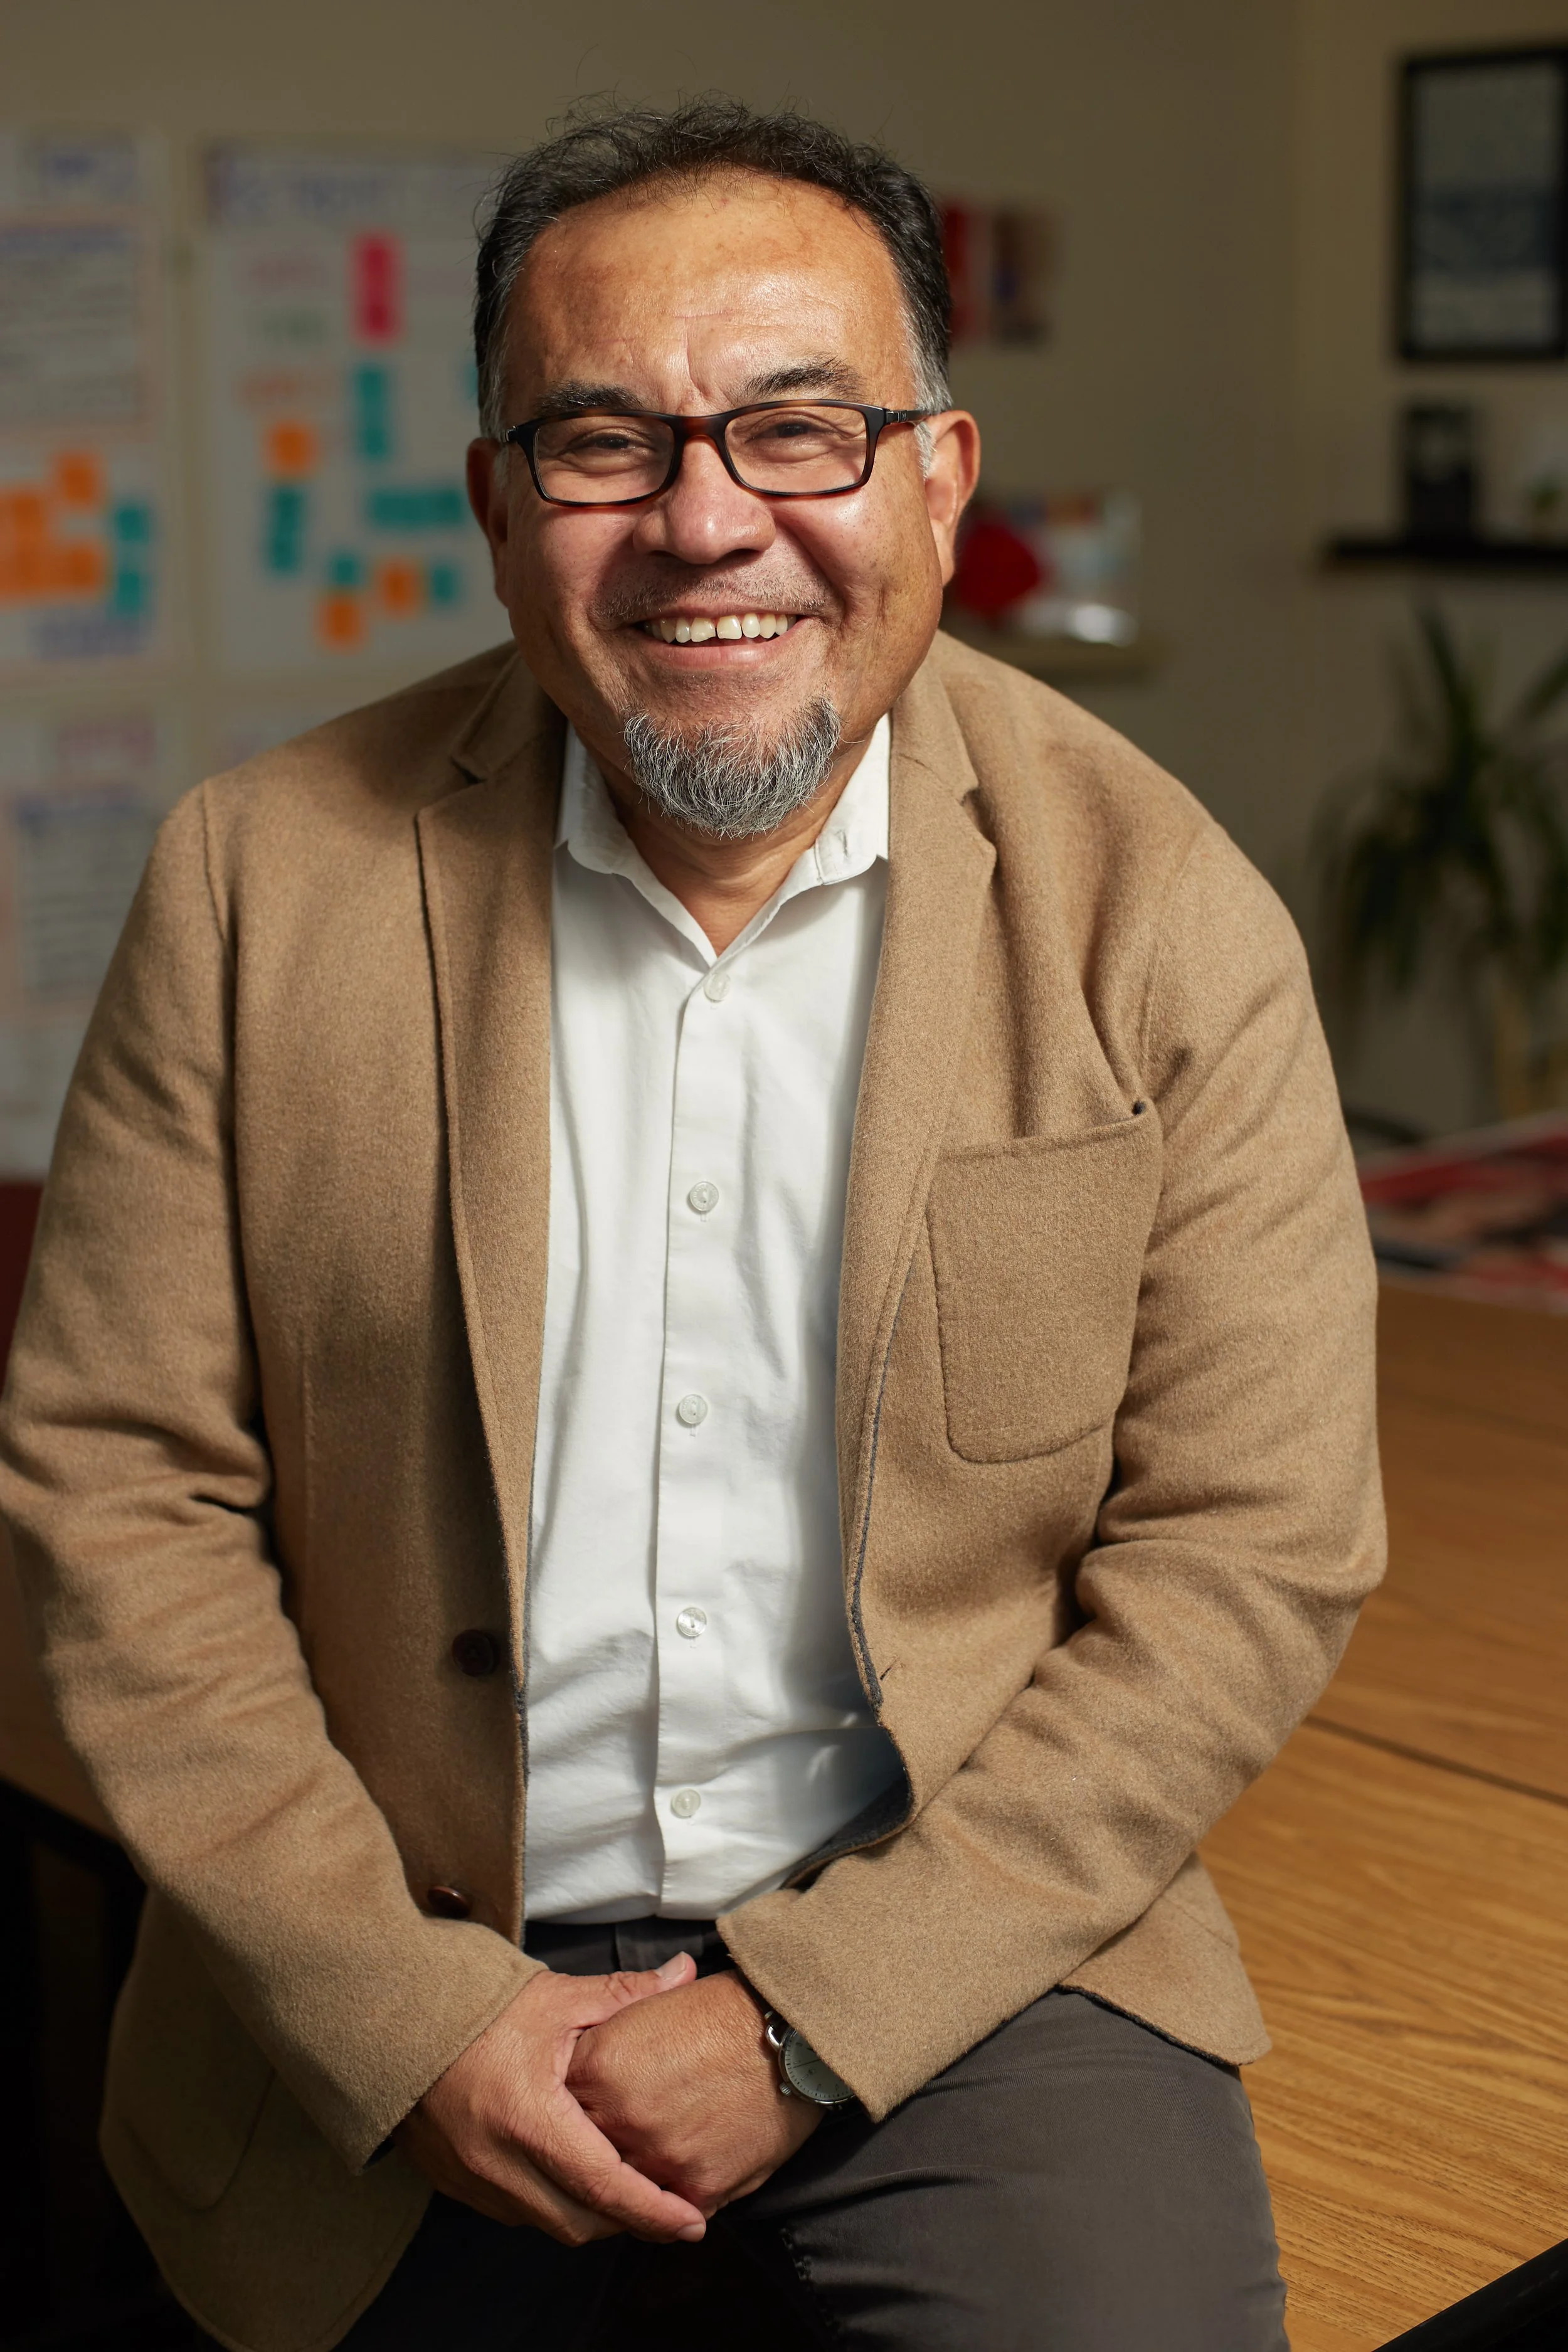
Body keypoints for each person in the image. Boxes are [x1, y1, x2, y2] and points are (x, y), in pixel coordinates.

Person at [0, 99, 1384, 2352]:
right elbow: (114, 1496)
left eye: (797, 426)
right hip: (396, 1940)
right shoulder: (254, 885)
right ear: (495, 507)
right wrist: (399, 2011)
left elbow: (1254, 1546)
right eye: (603, 442)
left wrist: (809, 2014)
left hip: (966, 1935)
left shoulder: (1163, 913)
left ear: (938, 479)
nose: (706, 519)